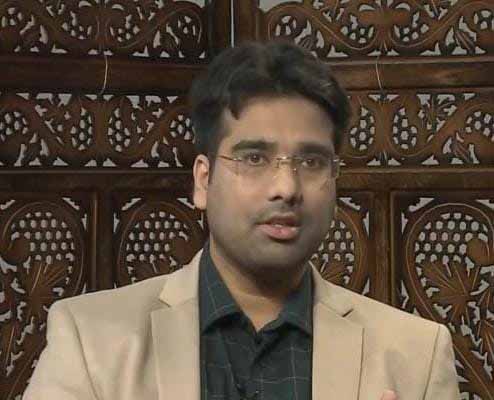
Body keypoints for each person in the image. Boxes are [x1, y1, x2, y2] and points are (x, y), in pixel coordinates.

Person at [23, 41, 460, 400]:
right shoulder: (91, 341)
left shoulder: (415, 355)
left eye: (311, 161)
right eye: (254, 158)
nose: (286, 187)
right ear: (203, 180)